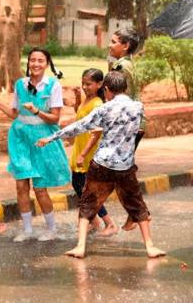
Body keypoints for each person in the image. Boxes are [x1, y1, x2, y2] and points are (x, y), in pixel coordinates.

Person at [37, 71, 165, 259]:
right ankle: (150, 247)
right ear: (125, 88)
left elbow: (80, 126)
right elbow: (137, 130)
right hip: (124, 167)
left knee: (88, 203)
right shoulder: (138, 107)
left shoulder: (104, 109)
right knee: (137, 203)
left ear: (106, 89)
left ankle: (80, 247)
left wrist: (52, 137)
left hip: (102, 164)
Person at [0, 47, 70, 242]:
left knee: (40, 189)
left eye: (40, 61)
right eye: (33, 60)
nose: (36, 64)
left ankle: (51, 229)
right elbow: (15, 114)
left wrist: (36, 112)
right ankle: (27, 229)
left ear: (47, 64)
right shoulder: (20, 84)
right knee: (21, 185)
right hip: (20, 138)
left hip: (42, 139)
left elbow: (55, 119)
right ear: (28, 63)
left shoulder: (53, 86)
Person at [71, 69, 117, 237]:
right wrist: (77, 97)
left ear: (99, 85)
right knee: (78, 185)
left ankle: (109, 223)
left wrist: (83, 154)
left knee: (87, 190)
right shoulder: (87, 100)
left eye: (88, 84)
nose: (85, 87)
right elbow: (79, 115)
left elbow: (96, 132)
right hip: (80, 148)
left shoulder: (97, 104)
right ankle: (94, 221)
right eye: (83, 83)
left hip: (88, 152)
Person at [108, 28, 146, 231]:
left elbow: (115, 96)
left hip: (128, 126)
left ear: (125, 46)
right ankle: (136, 213)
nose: (110, 45)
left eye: (114, 42)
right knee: (120, 172)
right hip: (133, 123)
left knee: (119, 172)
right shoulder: (127, 64)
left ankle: (138, 213)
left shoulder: (121, 66)